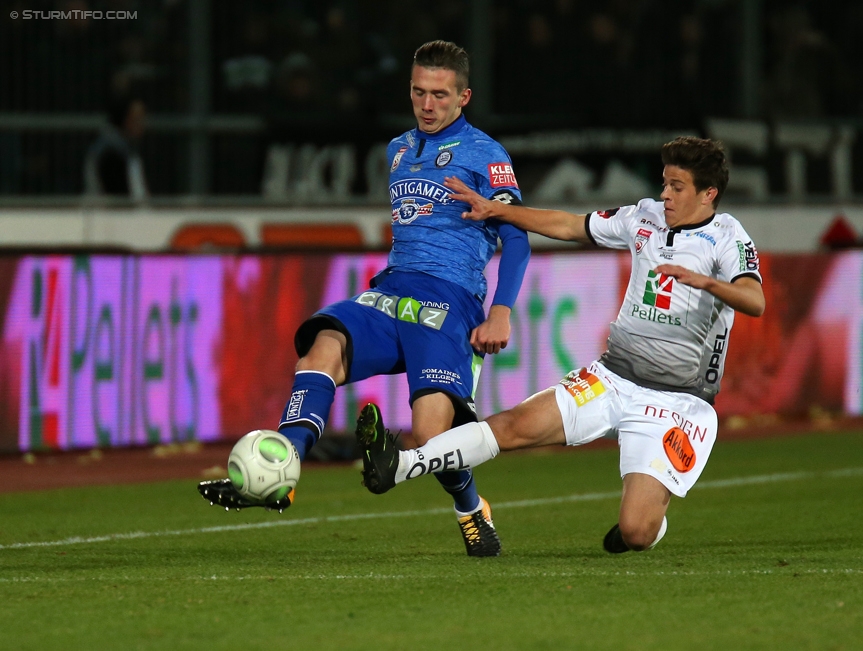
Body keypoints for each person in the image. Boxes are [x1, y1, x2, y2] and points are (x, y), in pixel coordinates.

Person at [198, 40, 529, 558]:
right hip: (391, 291)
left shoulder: (488, 155)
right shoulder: (397, 148)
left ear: (464, 96)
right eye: (418, 92)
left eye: (440, 95)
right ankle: (283, 466)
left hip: (449, 305)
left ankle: (471, 508)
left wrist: (501, 310)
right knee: (321, 346)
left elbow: (517, 236)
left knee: (428, 439)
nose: (427, 104)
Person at [356, 136, 765, 553]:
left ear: (708, 193)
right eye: (664, 183)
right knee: (514, 425)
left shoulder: (728, 237)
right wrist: (498, 209)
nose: (665, 195)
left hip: (678, 401)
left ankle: (644, 527)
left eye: (677, 187)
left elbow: (755, 300)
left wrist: (708, 282)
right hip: (614, 377)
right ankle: (399, 464)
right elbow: (571, 225)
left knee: (636, 532)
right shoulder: (644, 217)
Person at [84, 95, 149, 201]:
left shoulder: (128, 150)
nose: (142, 125)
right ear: (124, 119)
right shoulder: (111, 153)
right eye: (137, 119)